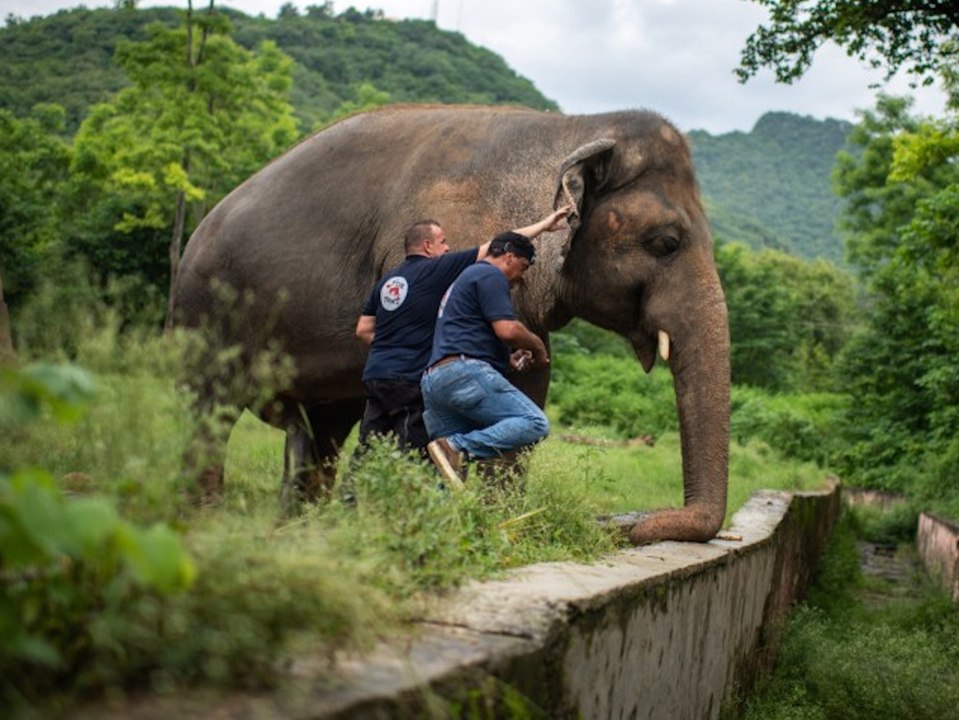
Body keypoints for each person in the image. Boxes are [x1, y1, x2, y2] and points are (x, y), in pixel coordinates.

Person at [355, 208, 569, 459]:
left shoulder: (388, 281)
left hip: (377, 372)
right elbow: (495, 248)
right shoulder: (440, 269)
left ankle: (351, 498)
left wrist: (394, 346)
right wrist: (544, 225)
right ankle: (439, 467)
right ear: (427, 246)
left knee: (369, 445)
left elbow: (363, 329)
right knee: (414, 453)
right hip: (411, 376)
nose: (446, 248)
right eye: (442, 242)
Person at [420, 223, 566, 486]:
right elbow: (508, 330)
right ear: (508, 256)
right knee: (534, 423)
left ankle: (436, 522)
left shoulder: (467, 278)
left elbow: (470, 334)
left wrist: (505, 361)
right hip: (462, 374)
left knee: (449, 475)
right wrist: (538, 347)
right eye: (522, 267)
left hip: (435, 380)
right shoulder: (489, 274)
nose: (521, 277)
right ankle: (458, 447)